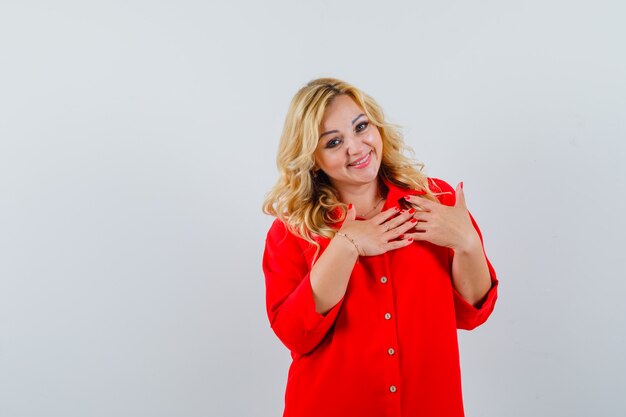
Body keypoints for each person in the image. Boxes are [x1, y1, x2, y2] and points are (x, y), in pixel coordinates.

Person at [261, 78, 498, 417]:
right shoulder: (292, 231)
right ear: (312, 158)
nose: (356, 147)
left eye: (361, 127)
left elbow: (472, 313)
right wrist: (346, 245)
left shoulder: (435, 201)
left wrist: (468, 244)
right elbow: (297, 336)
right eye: (333, 142)